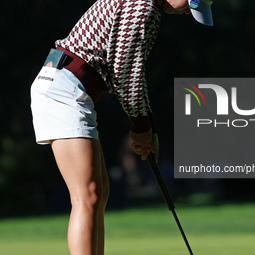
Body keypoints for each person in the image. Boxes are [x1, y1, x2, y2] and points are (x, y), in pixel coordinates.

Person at [30, 0, 213, 254]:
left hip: (69, 87)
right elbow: (125, 75)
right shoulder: (144, 5)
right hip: (63, 88)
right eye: (191, 5)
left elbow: (133, 74)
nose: (185, 12)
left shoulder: (151, 8)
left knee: (98, 193)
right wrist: (141, 127)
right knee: (88, 195)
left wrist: (150, 129)